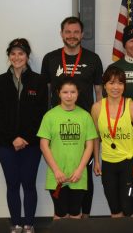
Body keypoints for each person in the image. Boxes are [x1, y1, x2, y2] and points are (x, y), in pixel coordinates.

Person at [40, 16, 104, 217]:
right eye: (68, 32)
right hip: (58, 125)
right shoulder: (50, 59)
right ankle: (64, 217)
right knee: (59, 171)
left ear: (82, 35)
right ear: (61, 34)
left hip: (85, 124)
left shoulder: (93, 59)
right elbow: (46, 92)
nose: (72, 36)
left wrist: (97, 123)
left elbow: (99, 94)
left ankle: (83, 218)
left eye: (76, 32)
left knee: (85, 176)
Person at [0, 38, 48, 233]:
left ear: (27, 56)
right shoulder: (0, 81)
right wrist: (13, 137)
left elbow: (41, 114)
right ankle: (16, 223)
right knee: (12, 184)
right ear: (9, 56)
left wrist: (25, 137)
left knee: (29, 183)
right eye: (13, 53)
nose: (17, 57)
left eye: (21, 53)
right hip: (6, 144)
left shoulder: (38, 81)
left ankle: (29, 224)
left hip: (31, 144)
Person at [38, 78, 98, 220]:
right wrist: (56, 170)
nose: (69, 96)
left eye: (72, 92)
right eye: (65, 92)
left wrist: (79, 170)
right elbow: (43, 145)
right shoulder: (50, 116)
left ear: (78, 94)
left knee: (75, 212)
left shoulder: (85, 116)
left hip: (78, 174)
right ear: (59, 93)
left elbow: (89, 145)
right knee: (60, 213)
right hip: (56, 175)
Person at [90, 66, 133, 218]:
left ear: (124, 86)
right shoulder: (96, 108)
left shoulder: (132, 106)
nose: (116, 87)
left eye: (120, 83)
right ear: (105, 85)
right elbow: (96, 136)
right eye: (111, 83)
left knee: (128, 203)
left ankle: (132, 226)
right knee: (114, 207)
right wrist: (96, 161)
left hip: (129, 162)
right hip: (108, 163)